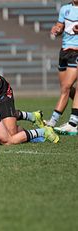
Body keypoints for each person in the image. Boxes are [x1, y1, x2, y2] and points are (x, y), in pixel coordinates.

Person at [47, 0, 78, 135]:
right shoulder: (65, 8)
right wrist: (56, 29)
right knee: (66, 88)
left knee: (66, 87)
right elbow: (60, 26)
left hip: (76, 51)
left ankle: (60, 122)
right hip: (64, 51)